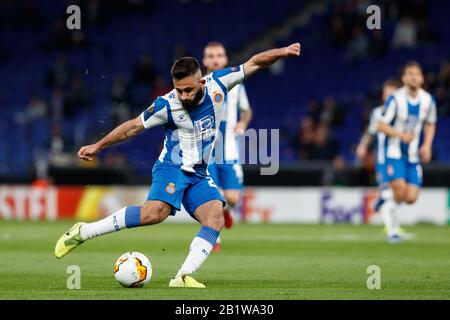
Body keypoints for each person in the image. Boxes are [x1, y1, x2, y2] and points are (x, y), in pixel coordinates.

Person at [54, 43, 301, 288]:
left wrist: (282, 52)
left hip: (199, 173)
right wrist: (98, 146)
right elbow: (132, 127)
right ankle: (84, 231)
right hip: (171, 168)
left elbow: (255, 62)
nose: (183, 96)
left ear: (201, 82)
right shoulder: (166, 104)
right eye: (178, 90)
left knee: (216, 216)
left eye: (188, 90)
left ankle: (182, 276)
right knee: (153, 214)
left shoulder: (219, 84)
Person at [376, 61, 436, 243]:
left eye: (417, 73)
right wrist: (400, 135)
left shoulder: (428, 100)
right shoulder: (396, 99)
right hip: (393, 153)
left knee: (410, 198)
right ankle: (392, 231)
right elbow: (381, 125)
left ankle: (385, 202)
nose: (413, 76)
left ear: (422, 78)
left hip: (412, 155)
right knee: (400, 190)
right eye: (409, 73)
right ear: (403, 78)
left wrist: (426, 145)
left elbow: (431, 123)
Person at [202, 42, 253, 252]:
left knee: (232, 197)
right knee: (211, 196)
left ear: (225, 59)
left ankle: (225, 212)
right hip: (206, 150)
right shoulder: (199, 84)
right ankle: (214, 238)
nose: (215, 59)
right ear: (204, 61)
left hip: (229, 149)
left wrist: (242, 123)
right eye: (211, 56)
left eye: (219, 55)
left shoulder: (237, 84)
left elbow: (247, 111)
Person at [356, 80, 399, 232]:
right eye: (386, 93)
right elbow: (370, 132)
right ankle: (392, 229)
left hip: (401, 157)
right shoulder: (378, 112)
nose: (388, 97)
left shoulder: (402, 111)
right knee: (389, 191)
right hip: (383, 159)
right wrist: (362, 146)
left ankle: (383, 204)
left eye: (391, 94)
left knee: (397, 194)